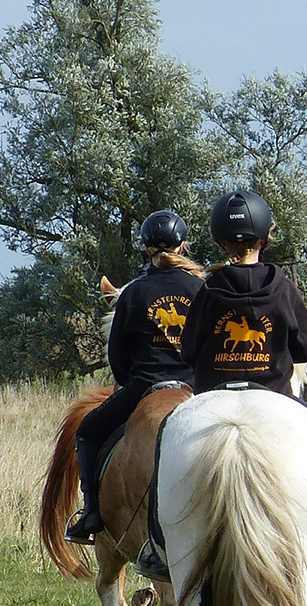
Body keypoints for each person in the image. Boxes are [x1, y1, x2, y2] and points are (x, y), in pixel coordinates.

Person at [134, 190, 307, 581]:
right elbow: (305, 346)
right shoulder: (283, 287)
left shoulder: (207, 290)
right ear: (264, 239)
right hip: (275, 396)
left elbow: (187, 352)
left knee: (167, 435)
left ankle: (157, 545)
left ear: (220, 241)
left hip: (213, 397)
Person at [64, 209, 205, 544]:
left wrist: (130, 383)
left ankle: (92, 514)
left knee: (87, 432)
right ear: (182, 247)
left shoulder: (133, 293)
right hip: (196, 388)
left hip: (144, 386)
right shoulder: (202, 289)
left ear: (145, 249)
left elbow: (117, 355)